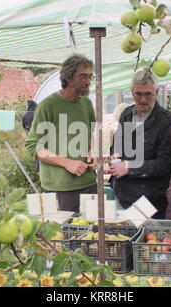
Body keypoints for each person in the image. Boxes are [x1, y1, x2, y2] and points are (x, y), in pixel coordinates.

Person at [25, 54, 97, 212]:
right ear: (68, 77)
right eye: (83, 76)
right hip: (62, 187)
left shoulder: (86, 103)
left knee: (93, 232)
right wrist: (67, 162)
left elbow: (88, 132)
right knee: (67, 234)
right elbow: (33, 146)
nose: (88, 81)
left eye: (90, 76)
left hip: (89, 182)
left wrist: (90, 152)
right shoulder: (48, 105)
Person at [108, 71, 171, 219]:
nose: (143, 99)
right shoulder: (126, 114)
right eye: (138, 94)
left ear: (157, 92)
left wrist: (129, 167)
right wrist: (114, 156)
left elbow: (165, 163)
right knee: (122, 237)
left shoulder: (167, 122)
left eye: (148, 94)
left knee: (145, 239)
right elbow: (118, 145)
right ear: (131, 92)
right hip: (121, 194)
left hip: (149, 201)